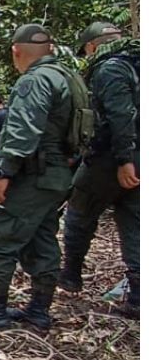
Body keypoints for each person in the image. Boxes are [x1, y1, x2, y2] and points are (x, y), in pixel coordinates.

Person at [0, 25, 82, 331]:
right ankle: (38, 311)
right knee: (41, 239)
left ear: (15, 51)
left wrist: (3, 172)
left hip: (32, 174)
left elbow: (23, 129)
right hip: (58, 175)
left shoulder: (34, 80)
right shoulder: (67, 77)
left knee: (0, 237)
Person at [60, 22, 139, 317]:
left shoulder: (111, 68)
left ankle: (70, 275)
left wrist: (124, 158)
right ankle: (138, 296)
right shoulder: (137, 64)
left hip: (111, 159)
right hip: (136, 156)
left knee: (79, 212)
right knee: (134, 222)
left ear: (92, 46)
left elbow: (121, 114)